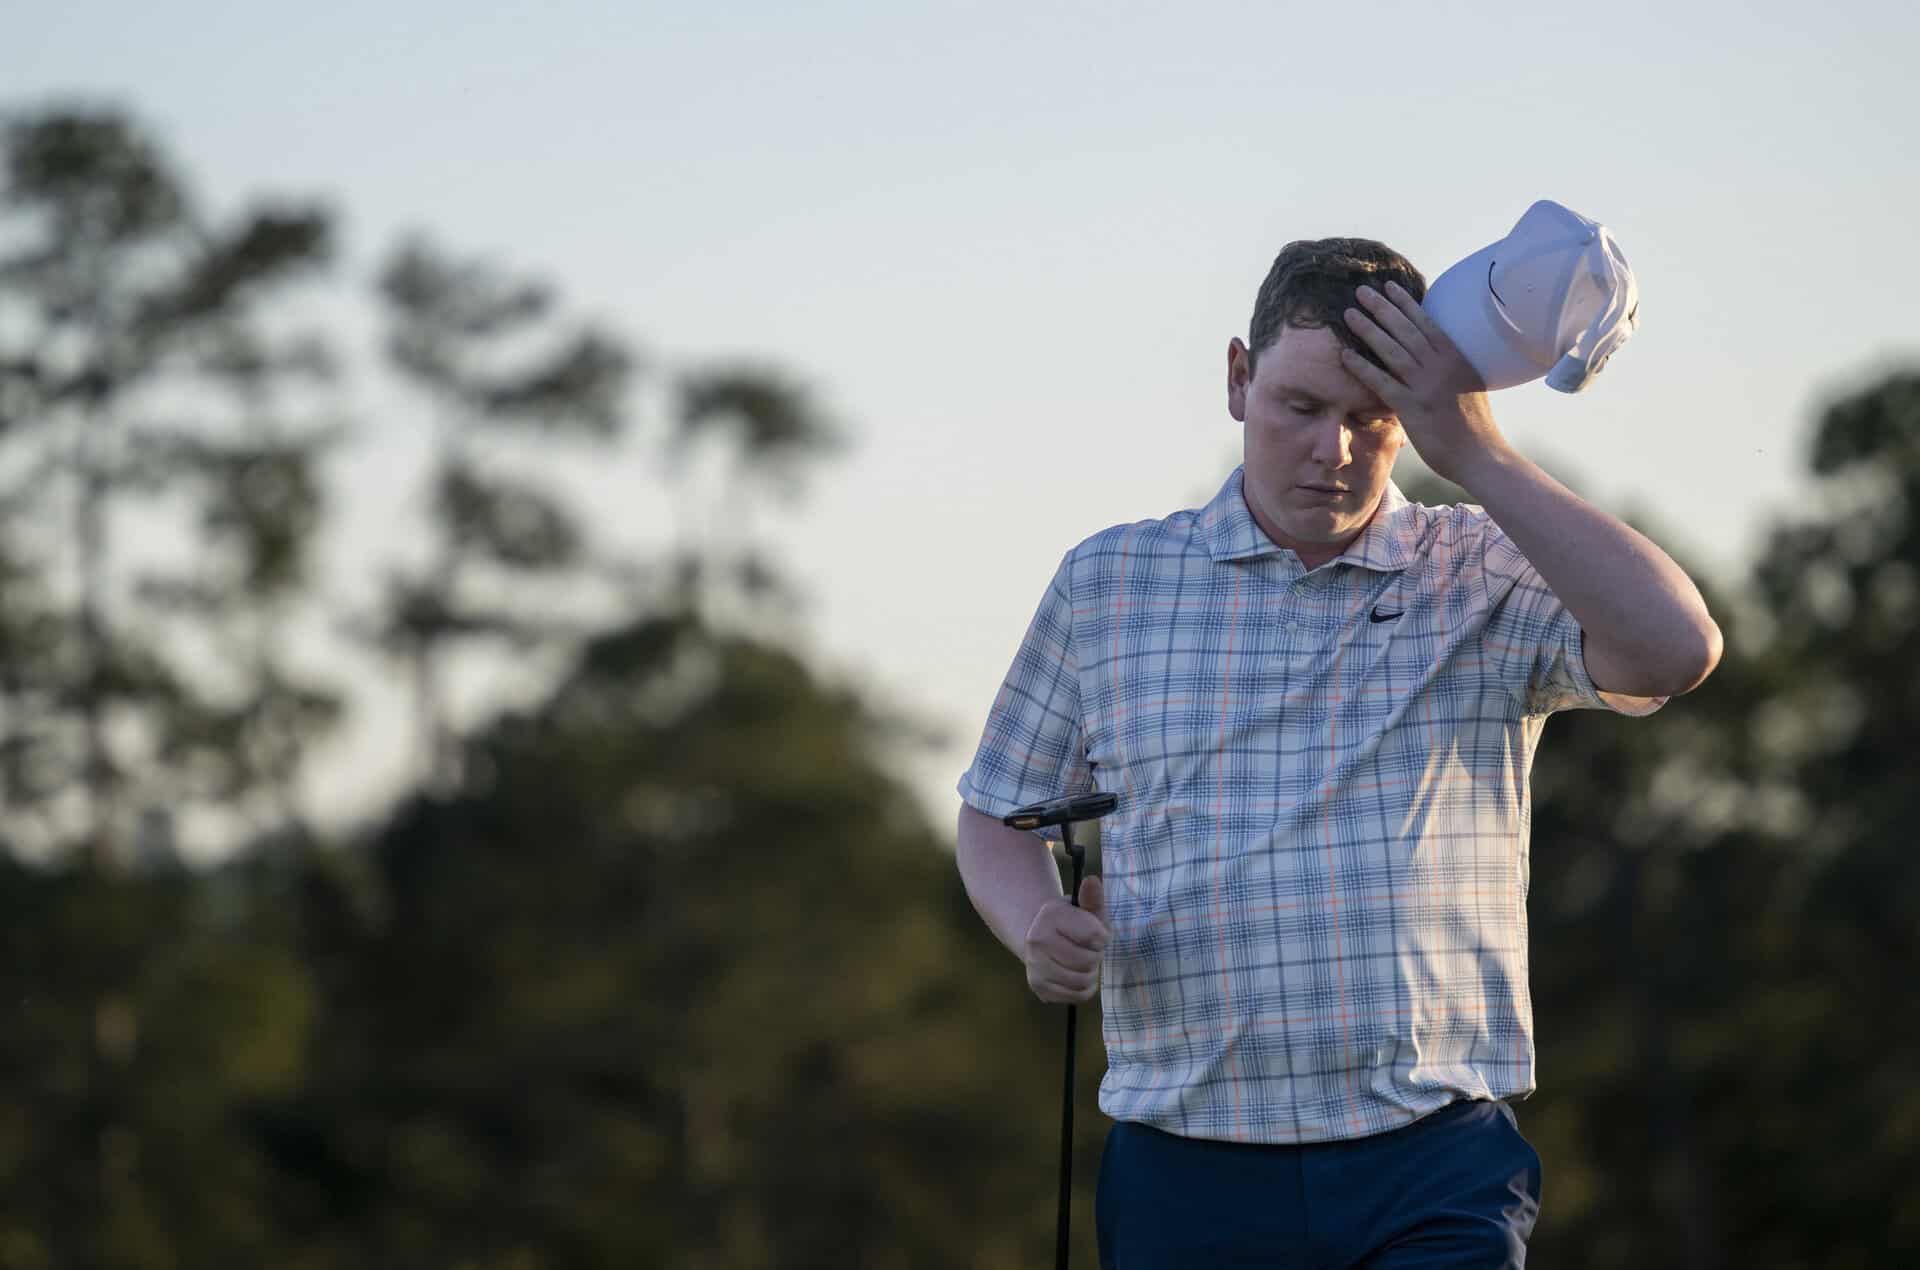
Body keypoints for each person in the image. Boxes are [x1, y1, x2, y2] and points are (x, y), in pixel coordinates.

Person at [954, 237, 1722, 1267]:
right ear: (1238, 378)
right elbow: (998, 810)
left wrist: (1483, 455)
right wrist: (1034, 920)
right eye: (1302, 408)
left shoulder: (1485, 564)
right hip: (1187, 1160)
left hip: (1434, 1157)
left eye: (1374, 418)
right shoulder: (1110, 582)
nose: (1337, 450)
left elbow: (1677, 649)